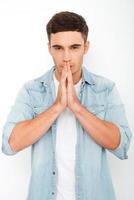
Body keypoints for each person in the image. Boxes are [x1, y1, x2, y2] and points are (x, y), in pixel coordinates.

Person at [2, 11, 132, 200]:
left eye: (74, 47)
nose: (66, 57)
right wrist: (57, 106)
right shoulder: (32, 91)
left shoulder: (105, 89)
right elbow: (10, 144)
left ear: (86, 47)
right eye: (58, 48)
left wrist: (76, 107)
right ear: (49, 48)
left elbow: (121, 145)